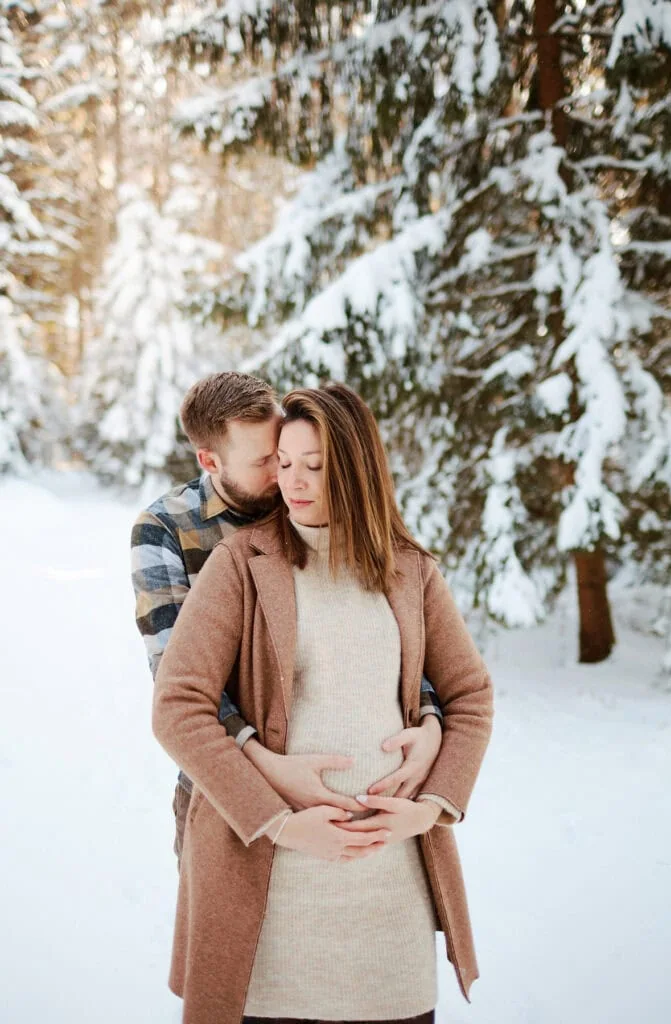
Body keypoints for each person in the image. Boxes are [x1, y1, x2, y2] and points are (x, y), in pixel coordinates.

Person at [152, 381, 494, 1024]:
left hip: (389, 894)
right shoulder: (240, 563)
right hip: (273, 890)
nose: (293, 481)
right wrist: (281, 821)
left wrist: (428, 810)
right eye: (282, 463)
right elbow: (178, 706)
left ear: (357, 467)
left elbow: (470, 696)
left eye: (315, 465)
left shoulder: (409, 569)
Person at [131, 371, 445, 867]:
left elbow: (387, 635)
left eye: (287, 454)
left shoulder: (308, 501)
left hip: (354, 793)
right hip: (227, 783)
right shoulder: (166, 530)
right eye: (267, 462)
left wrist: (429, 717)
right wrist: (267, 766)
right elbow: (178, 682)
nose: (287, 476)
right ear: (210, 461)